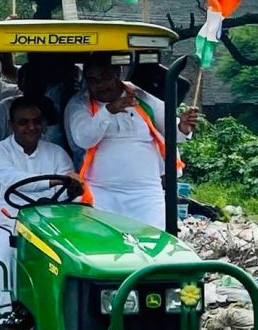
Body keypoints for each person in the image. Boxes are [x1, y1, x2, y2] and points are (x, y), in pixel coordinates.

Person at [64, 59, 199, 229]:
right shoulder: (79, 103)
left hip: (146, 193)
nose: (101, 85)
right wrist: (108, 111)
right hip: (101, 193)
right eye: (93, 80)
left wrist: (183, 127)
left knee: (153, 243)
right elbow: (83, 139)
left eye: (106, 78)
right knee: (103, 246)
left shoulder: (141, 95)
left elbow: (172, 132)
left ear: (118, 73)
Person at [0, 96, 82, 313]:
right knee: (5, 249)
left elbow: (69, 190)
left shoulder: (56, 152)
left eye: (36, 121)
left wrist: (72, 187)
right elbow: (13, 180)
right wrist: (56, 179)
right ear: (12, 125)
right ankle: (5, 315)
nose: (31, 127)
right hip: (7, 220)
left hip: (52, 222)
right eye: (23, 122)